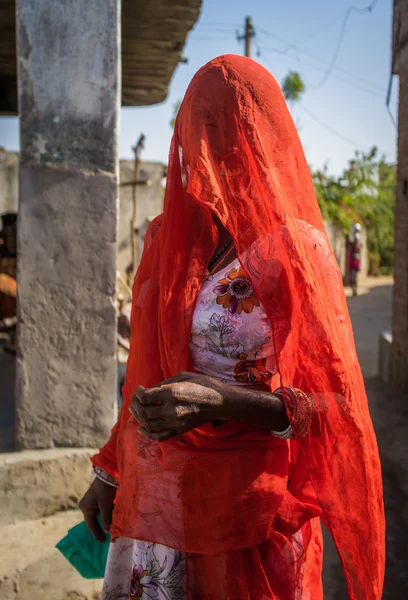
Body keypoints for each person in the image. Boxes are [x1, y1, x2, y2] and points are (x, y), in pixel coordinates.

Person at [79, 55, 384, 599]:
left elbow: (337, 410)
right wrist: (108, 471)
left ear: (262, 134)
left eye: (229, 127)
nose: (212, 146)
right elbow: (144, 375)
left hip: (251, 517)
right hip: (161, 510)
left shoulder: (295, 251)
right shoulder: (166, 238)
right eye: (202, 127)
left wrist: (225, 400)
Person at [348, 223, 362, 296]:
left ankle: (354, 290)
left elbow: (357, 252)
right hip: (353, 261)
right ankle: (354, 290)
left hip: (355, 261)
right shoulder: (354, 240)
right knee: (353, 277)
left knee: (354, 277)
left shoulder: (357, 240)